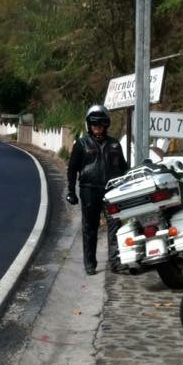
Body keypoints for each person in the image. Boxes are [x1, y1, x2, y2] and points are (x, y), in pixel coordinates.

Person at [66, 104, 127, 275]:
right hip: (89, 191)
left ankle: (115, 261)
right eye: (94, 125)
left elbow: (123, 168)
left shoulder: (115, 145)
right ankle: (90, 263)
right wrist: (71, 191)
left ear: (106, 125)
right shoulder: (81, 144)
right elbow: (72, 169)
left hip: (112, 191)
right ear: (89, 125)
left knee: (115, 225)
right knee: (89, 227)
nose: (98, 129)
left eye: (101, 125)